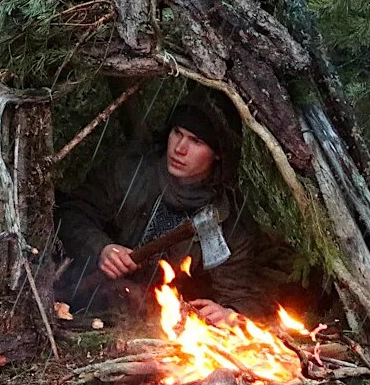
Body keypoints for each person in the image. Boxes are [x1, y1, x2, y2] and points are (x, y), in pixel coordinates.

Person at [54, 91, 279, 325]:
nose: (180, 149)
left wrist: (229, 313)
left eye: (196, 141)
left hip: (162, 323)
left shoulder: (228, 222)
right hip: (88, 300)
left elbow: (245, 296)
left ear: (218, 155)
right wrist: (102, 248)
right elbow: (71, 213)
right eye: (177, 133)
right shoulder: (130, 172)